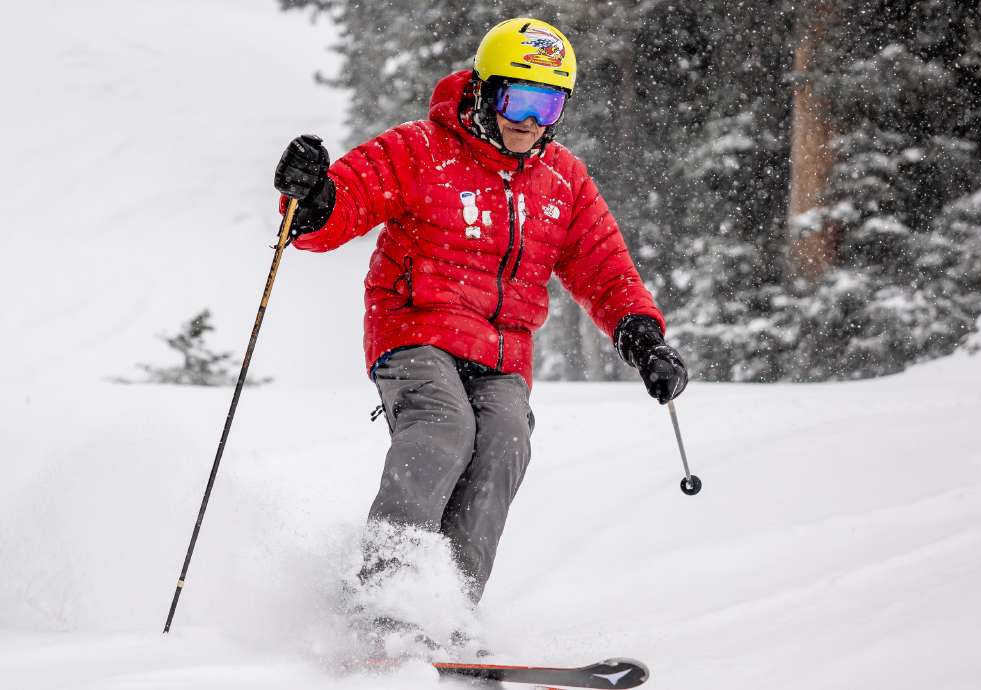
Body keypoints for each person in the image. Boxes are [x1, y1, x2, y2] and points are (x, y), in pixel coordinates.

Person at [273, 17, 688, 655]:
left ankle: (443, 610)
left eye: (547, 104)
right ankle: (384, 606)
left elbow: (605, 269)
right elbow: (340, 210)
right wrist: (314, 196)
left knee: (504, 440)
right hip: (413, 330)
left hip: (501, 353)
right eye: (516, 99)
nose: (529, 119)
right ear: (483, 90)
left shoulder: (563, 181)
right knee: (443, 429)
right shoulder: (420, 150)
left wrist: (642, 335)